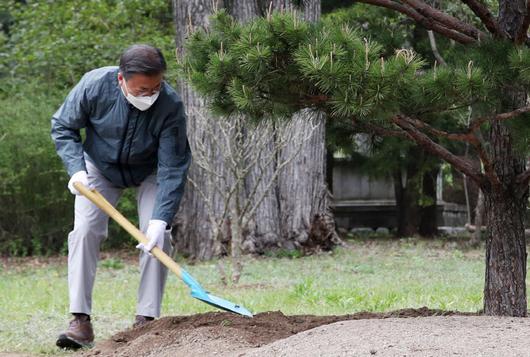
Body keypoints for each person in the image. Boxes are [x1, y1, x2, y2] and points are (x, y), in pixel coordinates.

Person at [51, 44, 191, 349]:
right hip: (97, 168)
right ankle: (80, 321)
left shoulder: (170, 105)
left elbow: (173, 166)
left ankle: (145, 321)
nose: (150, 95)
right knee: (85, 231)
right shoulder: (93, 86)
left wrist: (159, 219)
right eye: (142, 90)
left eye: (155, 88)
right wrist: (76, 169)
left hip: (150, 169)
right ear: (121, 80)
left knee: (158, 238)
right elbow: (63, 126)